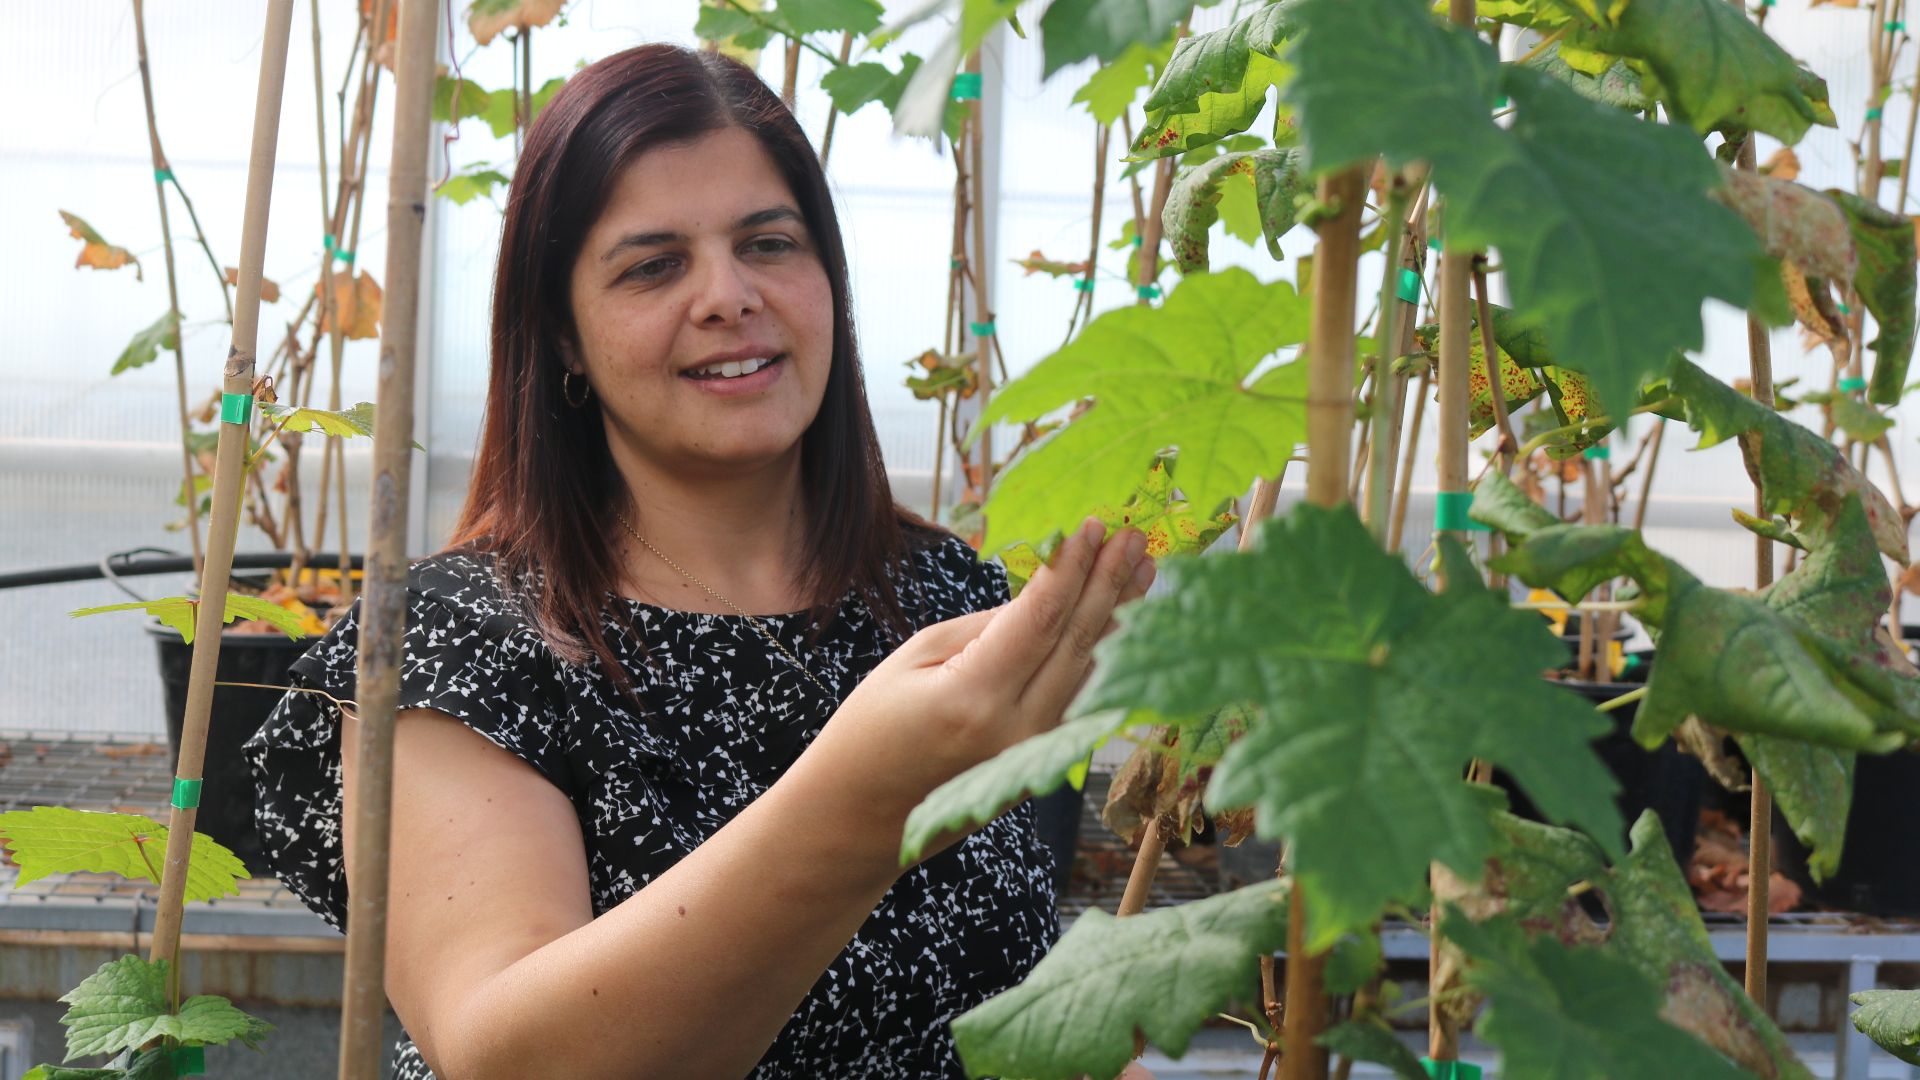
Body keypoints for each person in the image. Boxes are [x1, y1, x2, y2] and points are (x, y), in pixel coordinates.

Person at [244, 42, 1161, 1080]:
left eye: (770, 244)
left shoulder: (943, 597)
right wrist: (864, 804)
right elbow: (509, 1062)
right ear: (563, 337)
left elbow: (1026, 994)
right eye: (653, 265)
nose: (727, 295)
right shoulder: (458, 643)